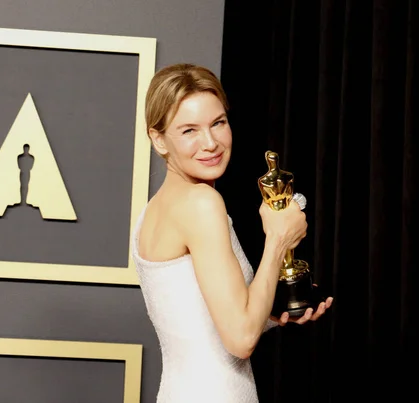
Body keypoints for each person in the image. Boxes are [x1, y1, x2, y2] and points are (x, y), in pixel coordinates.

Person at [131, 63, 333, 403]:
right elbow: (240, 340)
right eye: (189, 131)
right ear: (158, 139)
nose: (210, 143)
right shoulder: (201, 203)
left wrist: (273, 312)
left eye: (218, 123)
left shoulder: (156, 208)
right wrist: (278, 239)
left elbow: (200, 325)